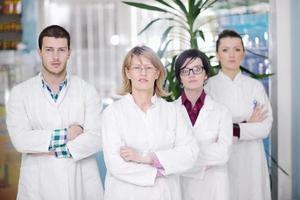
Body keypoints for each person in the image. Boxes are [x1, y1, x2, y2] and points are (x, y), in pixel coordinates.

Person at [6, 25, 103, 200]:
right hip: (38, 186)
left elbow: (96, 138)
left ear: (69, 52)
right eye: (49, 50)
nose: (56, 57)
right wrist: (68, 134)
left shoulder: (87, 91)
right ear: (39, 52)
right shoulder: (20, 93)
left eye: (61, 50)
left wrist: (48, 147)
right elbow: (21, 140)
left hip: (80, 185)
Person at [101, 45, 199, 200]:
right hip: (126, 194)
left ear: (157, 73)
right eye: (136, 67)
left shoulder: (173, 112)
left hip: (165, 194)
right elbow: (116, 165)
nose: (143, 72)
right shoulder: (112, 114)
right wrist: (162, 169)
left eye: (148, 67)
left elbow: (190, 154)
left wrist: (146, 159)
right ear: (128, 73)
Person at [205, 29, 273, 200]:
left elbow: (264, 128)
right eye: (225, 50)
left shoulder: (254, 86)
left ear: (243, 52)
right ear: (217, 54)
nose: (231, 55)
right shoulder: (209, 88)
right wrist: (247, 123)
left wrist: (230, 128)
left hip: (252, 162)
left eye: (236, 49)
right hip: (223, 163)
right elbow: (210, 131)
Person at [174, 49, 233, 200]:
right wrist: (206, 159)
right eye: (185, 71)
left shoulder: (222, 112)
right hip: (179, 187)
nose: (192, 74)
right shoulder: (169, 111)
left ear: (206, 75)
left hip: (213, 188)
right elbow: (167, 152)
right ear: (180, 78)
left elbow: (223, 154)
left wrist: (183, 157)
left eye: (197, 69)